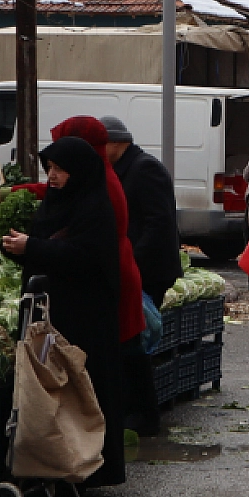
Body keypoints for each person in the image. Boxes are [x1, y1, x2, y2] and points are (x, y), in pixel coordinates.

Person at [2, 135, 127, 487]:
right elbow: (48, 245)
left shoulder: (95, 209)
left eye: (59, 169)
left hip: (84, 317)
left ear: (79, 172)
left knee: (84, 390)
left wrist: (34, 247)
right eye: (50, 169)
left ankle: (89, 466)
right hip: (52, 311)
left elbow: (85, 256)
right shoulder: (57, 203)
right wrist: (22, 248)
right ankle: (53, 464)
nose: (52, 176)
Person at [101, 115, 182, 437]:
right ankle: (137, 410)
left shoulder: (144, 169)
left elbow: (158, 223)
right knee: (131, 341)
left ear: (118, 142)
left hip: (149, 271)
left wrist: (131, 262)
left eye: (102, 144)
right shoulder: (124, 169)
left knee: (134, 342)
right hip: (138, 268)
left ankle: (144, 414)